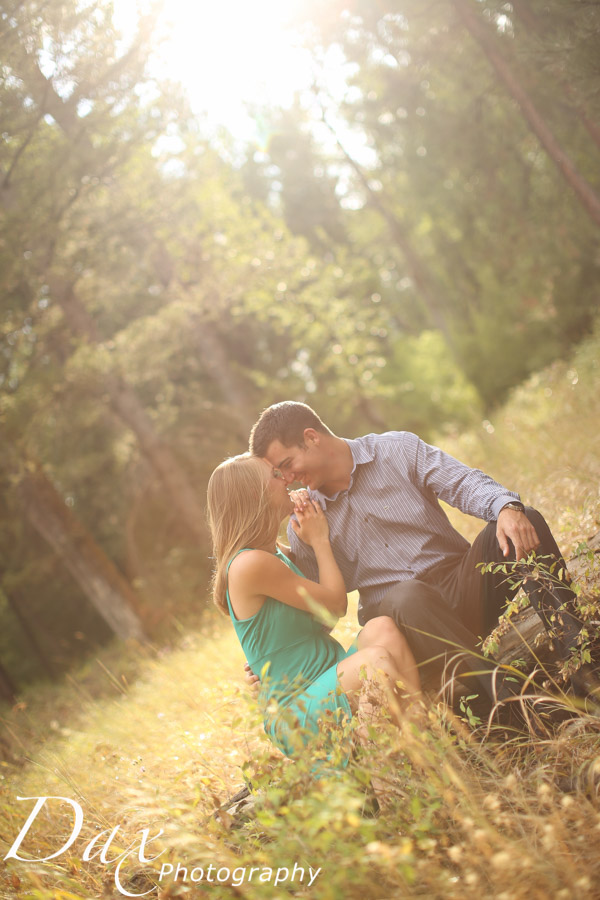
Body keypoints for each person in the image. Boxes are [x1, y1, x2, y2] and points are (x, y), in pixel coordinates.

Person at [248, 401, 585, 712]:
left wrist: (506, 507)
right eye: (280, 474)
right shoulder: (306, 523)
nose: (289, 480)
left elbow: (463, 483)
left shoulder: (396, 449)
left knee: (527, 519)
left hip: (461, 585)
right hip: (408, 624)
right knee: (407, 595)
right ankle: (509, 711)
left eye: (287, 465)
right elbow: (317, 610)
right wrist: (273, 660)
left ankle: (583, 659)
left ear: (311, 437)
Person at [206, 452, 422, 765]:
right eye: (276, 476)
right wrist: (320, 541)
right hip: (297, 708)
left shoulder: (275, 552)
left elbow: (309, 624)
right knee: (374, 663)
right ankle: (387, 784)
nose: (287, 479)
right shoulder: (249, 564)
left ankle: (421, 744)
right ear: (256, 494)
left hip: (328, 673)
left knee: (382, 629)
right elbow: (334, 607)